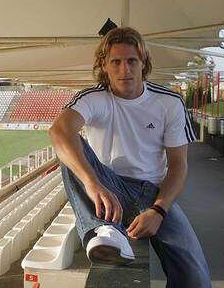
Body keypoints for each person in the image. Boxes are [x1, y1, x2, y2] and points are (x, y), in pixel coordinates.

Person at [49, 27, 211, 288]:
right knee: (66, 142)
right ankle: (103, 230)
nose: (124, 69)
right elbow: (59, 130)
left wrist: (158, 210)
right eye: (116, 61)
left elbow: (179, 166)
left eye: (132, 61)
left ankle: (114, 228)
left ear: (143, 63)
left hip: (153, 193)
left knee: (195, 277)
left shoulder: (168, 103)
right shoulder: (94, 98)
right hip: (109, 188)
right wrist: (92, 183)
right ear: (105, 65)